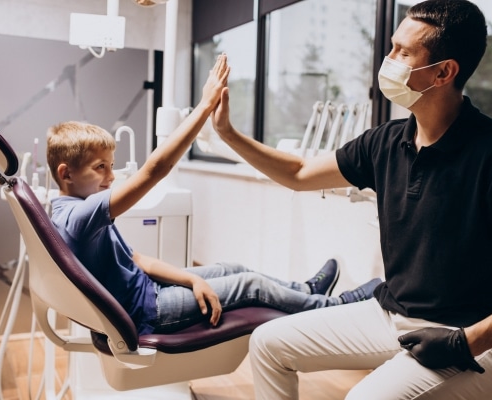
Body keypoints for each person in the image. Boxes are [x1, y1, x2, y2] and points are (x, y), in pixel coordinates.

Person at [211, 1, 492, 398]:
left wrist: (466, 342)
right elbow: (298, 173)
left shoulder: (486, 153)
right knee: (269, 343)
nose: (388, 60)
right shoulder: (386, 141)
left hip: (472, 335)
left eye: (403, 52)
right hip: (392, 313)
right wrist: (228, 134)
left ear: (444, 72)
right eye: (391, 46)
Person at [46, 54, 381, 337]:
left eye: (111, 165)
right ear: (66, 174)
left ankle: (304, 291)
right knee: (251, 286)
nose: (111, 176)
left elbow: (136, 260)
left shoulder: (75, 209)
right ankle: (335, 307)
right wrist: (205, 105)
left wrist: (191, 278)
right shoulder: (78, 217)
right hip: (149, 310)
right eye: (99, 167)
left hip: (149, 291)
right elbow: (154, 169)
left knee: (231, 267)